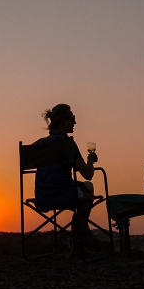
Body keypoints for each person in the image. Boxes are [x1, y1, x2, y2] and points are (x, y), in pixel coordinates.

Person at [33, 103, 98, 249]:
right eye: (73, 117)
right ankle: (79, 239)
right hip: (64, 195)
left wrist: (77, 183)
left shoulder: (40, 145)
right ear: (64, 120)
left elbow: (56, 176)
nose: (75, 121)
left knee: (83, 187)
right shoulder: (67, 144)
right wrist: (90, 160)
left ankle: (81, 235)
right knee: (89, 187)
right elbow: (88, 174)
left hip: (42, 197)